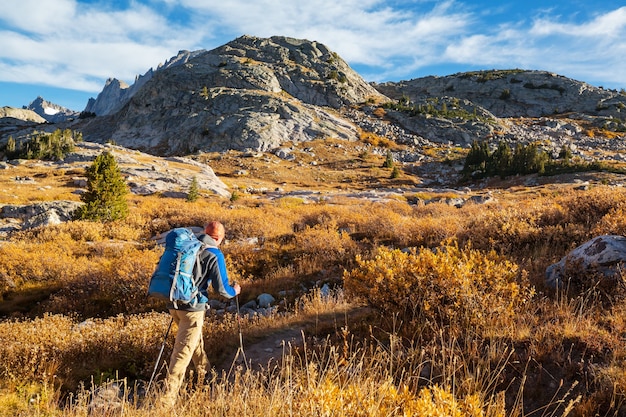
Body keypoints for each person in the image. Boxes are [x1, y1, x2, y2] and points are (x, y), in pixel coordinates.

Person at [161, 221, 241, 408]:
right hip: (192, 309)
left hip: (173, 304)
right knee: (182, 353)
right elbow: (222, 290)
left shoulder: (188, 245)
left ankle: (207, 375)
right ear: (218, 237)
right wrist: (235, 291)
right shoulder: (214, 253)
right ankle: (166, 401)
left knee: (194, 342)